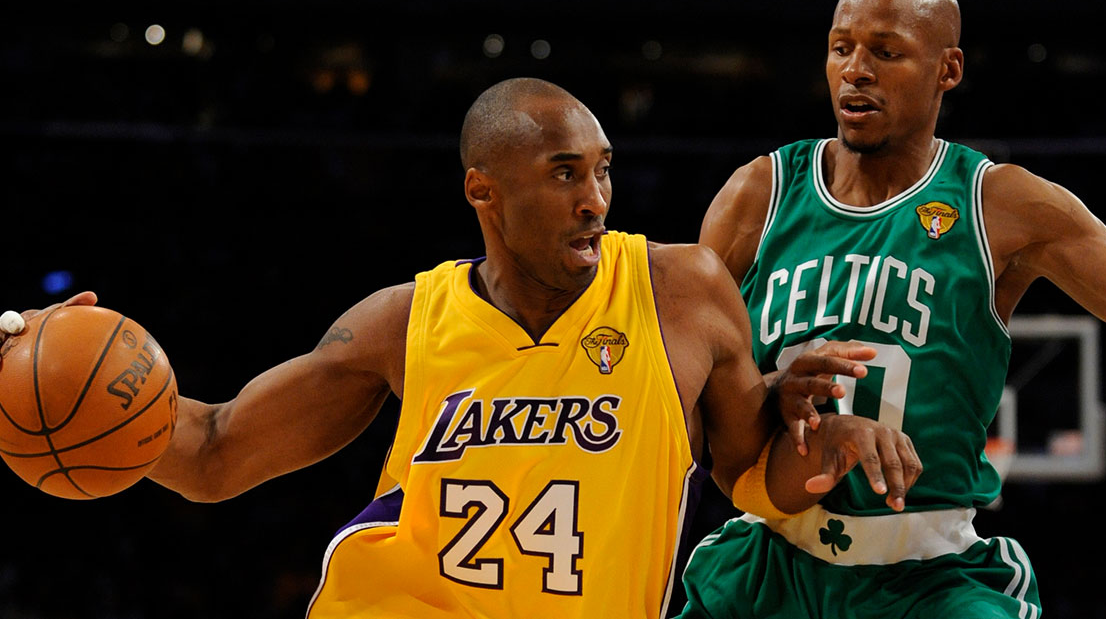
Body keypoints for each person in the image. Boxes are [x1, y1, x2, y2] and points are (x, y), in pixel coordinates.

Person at [1, 78, 921, 619]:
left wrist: (822, 451)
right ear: (484, 190)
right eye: (565, 175)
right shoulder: (407, 322)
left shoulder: (680, 294)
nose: (596, 199)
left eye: (602, 169)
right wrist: (72, 367)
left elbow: (748, 472)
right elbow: (210, 451)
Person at [678, 0, 1106, 619]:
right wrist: (772, 396)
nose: (856, 70)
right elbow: (690, 390)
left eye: (887, 51)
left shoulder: (1000, 205)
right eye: (842, 47)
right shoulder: (760, 193)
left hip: (928, 577)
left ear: (948, 69)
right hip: (769, 559)